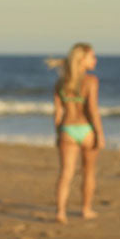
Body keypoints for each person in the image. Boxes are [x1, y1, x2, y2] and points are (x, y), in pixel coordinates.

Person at [46, 42, 105, 223]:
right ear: (82, 59)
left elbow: (58, 113)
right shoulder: (91, 81)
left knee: (66, 173)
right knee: (88, 172)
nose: (95, 60)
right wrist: (100, 134)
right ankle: (86, 209)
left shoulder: (60, 83)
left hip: (67, 130)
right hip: (86, 130)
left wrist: (58, 134)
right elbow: (93, 110)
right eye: (92, 57)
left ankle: (61, 212)